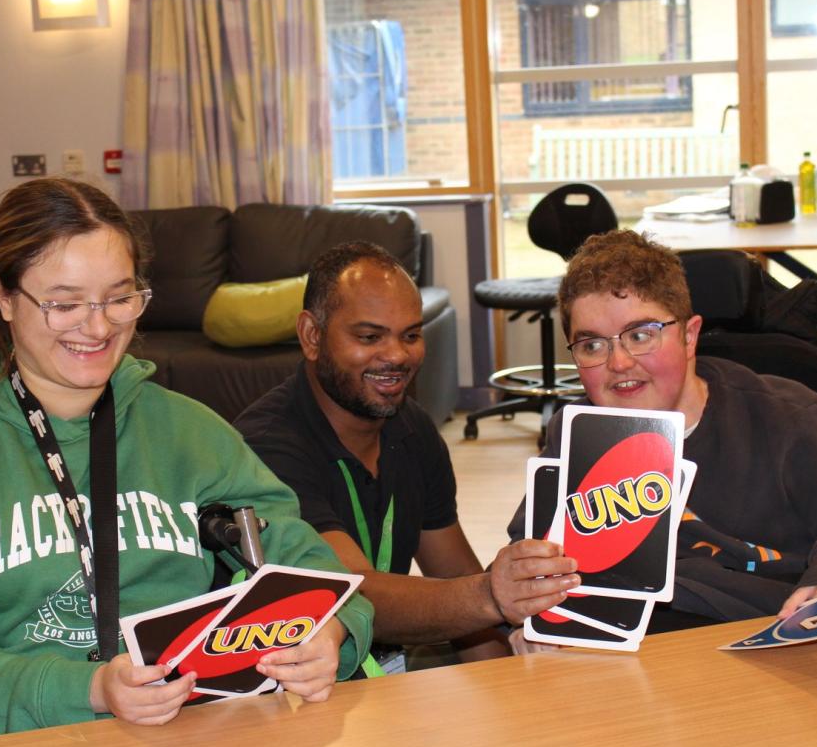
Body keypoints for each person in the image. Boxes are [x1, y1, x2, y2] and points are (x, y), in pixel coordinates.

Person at [0, 178, 373, 747]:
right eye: (64, 303)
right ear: (2, 297)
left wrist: (333, 635)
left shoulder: (188, 430)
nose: (99, 326)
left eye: (119, 298)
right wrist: (93, 690)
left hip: (179, 738)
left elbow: (317, 574)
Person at [505, 229, 817, 632]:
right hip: (636, 645)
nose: (620, 362)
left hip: (769, 626)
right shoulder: (577, 436)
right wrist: (529, 617)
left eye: (641, 335)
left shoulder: (790, 417)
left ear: (689, 336)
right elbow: (532, 557)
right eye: (592, 345)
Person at [235, 242, 576, 669]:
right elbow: (351, 594)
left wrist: (509, 683)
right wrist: (492, 594)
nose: (397, 355)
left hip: (388, 660)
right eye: (369, 336)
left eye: (411, 335)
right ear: (312, 336)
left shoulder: (411, 428)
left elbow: (454, 578)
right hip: (299, 679)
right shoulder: (266, 448)